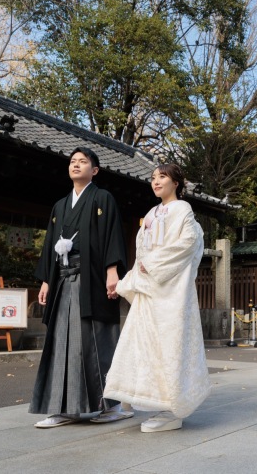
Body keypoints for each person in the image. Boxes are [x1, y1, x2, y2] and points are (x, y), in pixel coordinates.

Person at [103, 163, 211, 433]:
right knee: (143, 344)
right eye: (153, 178)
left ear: (176, 182)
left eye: (162, 176)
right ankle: (148, 400)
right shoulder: (151, 213)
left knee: (169, 345)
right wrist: (130, 280)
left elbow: (186, 243)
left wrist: (152, 264)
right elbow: (141, 253)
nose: (156, 181)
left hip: (171, 290)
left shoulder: (183, 210)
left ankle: (172, 409)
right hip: (150, 288)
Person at [30, 147, 132, 428]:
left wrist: (113, 270)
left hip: (93, 280)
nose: (76, 165)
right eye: (73, 162)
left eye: (83, 161)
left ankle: (110, 406)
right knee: (61, 341)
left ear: (94, 170)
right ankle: (63, 408)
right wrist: (47, 280)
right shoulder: (60, 205)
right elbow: (50, 243)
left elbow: (112, 234)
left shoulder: (102, 199)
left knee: (96, 340)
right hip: (63, 280)